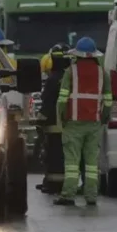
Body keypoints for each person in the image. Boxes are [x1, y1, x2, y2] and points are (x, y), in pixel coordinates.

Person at [54, 37, 113, 207]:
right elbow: (108, 100)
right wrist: (104, 116)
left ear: (77, 55)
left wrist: (62, 117)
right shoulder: (103, 73)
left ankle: (68, 195)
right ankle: (91, 196)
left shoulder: (70, 72)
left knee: (72, 161)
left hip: (73, 122)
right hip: (94, 123)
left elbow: (62, 98)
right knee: (91, 162)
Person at [37, 42, 70, 194]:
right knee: (68, 156)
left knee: (52, 155)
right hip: (71, 124)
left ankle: (52, 184)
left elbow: (47, 101)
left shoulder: (53, 79)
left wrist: (39, 119)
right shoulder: (71, 77)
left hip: (53, 125)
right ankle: (64, 183)